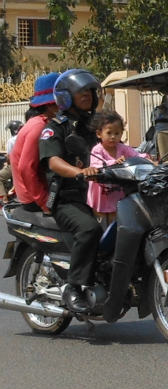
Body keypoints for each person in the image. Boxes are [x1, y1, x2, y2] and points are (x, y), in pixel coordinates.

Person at [39, 69, 103, 313]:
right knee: (89, 228)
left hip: (97, 193)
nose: (87, 94)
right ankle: (74, 286)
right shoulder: (55, 128)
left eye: (89, 90)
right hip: (67, 198)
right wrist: (78, 172)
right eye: (81, 91)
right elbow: (53, 161)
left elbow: (112, 146)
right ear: (66, 96)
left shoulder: (93, 126)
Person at [87, 110, 149, 225]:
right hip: (101, 194)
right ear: (99, 134)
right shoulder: (97, 150)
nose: (113, 137)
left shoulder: (122, 148)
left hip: (117, 192)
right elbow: (97, 165)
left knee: (116, 219)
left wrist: (148, 159)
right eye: (109, 133)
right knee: (101, 223)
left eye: (117, 133)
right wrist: (114, 162)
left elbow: (136, 155)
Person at [10, 72, 60, 212]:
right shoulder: (40, 127)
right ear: (50, 105)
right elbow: (25, 167)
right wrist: (45, 202)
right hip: (34, 199)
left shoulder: (39, 123)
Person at [1, 120, 23, 204]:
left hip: (16, 164)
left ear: (13, 130)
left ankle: (4, 199)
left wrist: (7, 163)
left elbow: (9, 156)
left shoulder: (12, 140)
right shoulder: (25, 136)